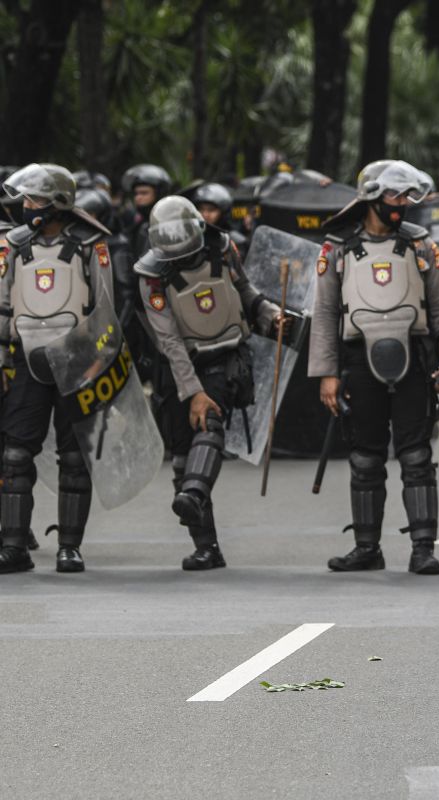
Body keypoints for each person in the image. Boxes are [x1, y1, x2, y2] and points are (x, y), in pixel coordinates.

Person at [309, 160, 439, 575]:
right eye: (395, 195)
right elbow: (323, 314)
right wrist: (327, 372)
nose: (403, 203)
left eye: (408, 196)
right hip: (358, 360)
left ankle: (423, 549)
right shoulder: (337, 247)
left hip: (415, 357)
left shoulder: (421, 245)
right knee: (365, 458)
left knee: (416, 456)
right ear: (373, 196)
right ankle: (367, 549)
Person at [135, 196, 285, 570]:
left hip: (226, 355)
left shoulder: (222, 246)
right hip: (180, 363)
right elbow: (168, 340)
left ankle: (194, 493)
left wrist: (269, 313)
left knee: (210, 422)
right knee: (183, 459)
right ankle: (207, 546)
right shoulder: (152, 274)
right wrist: (193, 392)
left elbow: (244, 291)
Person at [0, 164, 113, 573]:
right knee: (14, 456)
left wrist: (100, 362)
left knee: (74, 456)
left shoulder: (90, 245)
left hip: (77, 361)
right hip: (26, 360)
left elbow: (105, 309)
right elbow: (2, 306)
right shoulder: (11, 245)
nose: (26, 206)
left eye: (34, 200)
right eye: (26, 199)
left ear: (58, 203)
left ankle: (70, 547)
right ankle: (13, 547)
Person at [184, 182, 249, 252]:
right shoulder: (189, 239)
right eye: (201, 209)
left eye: (211, 210)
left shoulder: (235, 241)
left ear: (223, 211)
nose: (205, 214)